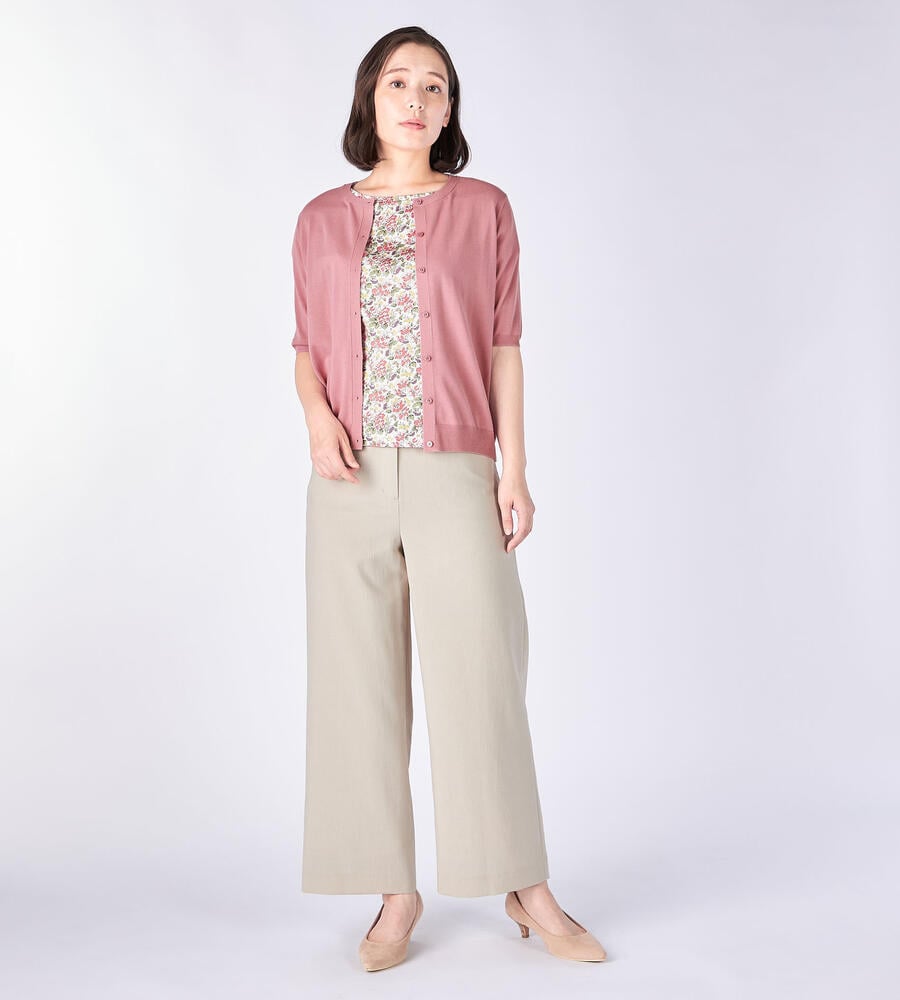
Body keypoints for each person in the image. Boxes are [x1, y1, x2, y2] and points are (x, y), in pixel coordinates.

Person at [290, 25, 608, 971]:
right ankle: (393, 893)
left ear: (450, 108)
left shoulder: (484, 209)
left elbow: (506, 344)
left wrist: (513, 468)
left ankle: (523, 883)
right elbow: (303, 346)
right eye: (399, 82)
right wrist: (316, 420)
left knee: (482, 677)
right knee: (354, 687)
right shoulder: (319, 218)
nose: (417, 100)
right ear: (370, 97)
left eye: (435, 86)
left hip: (456, 467)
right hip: (346, 478)